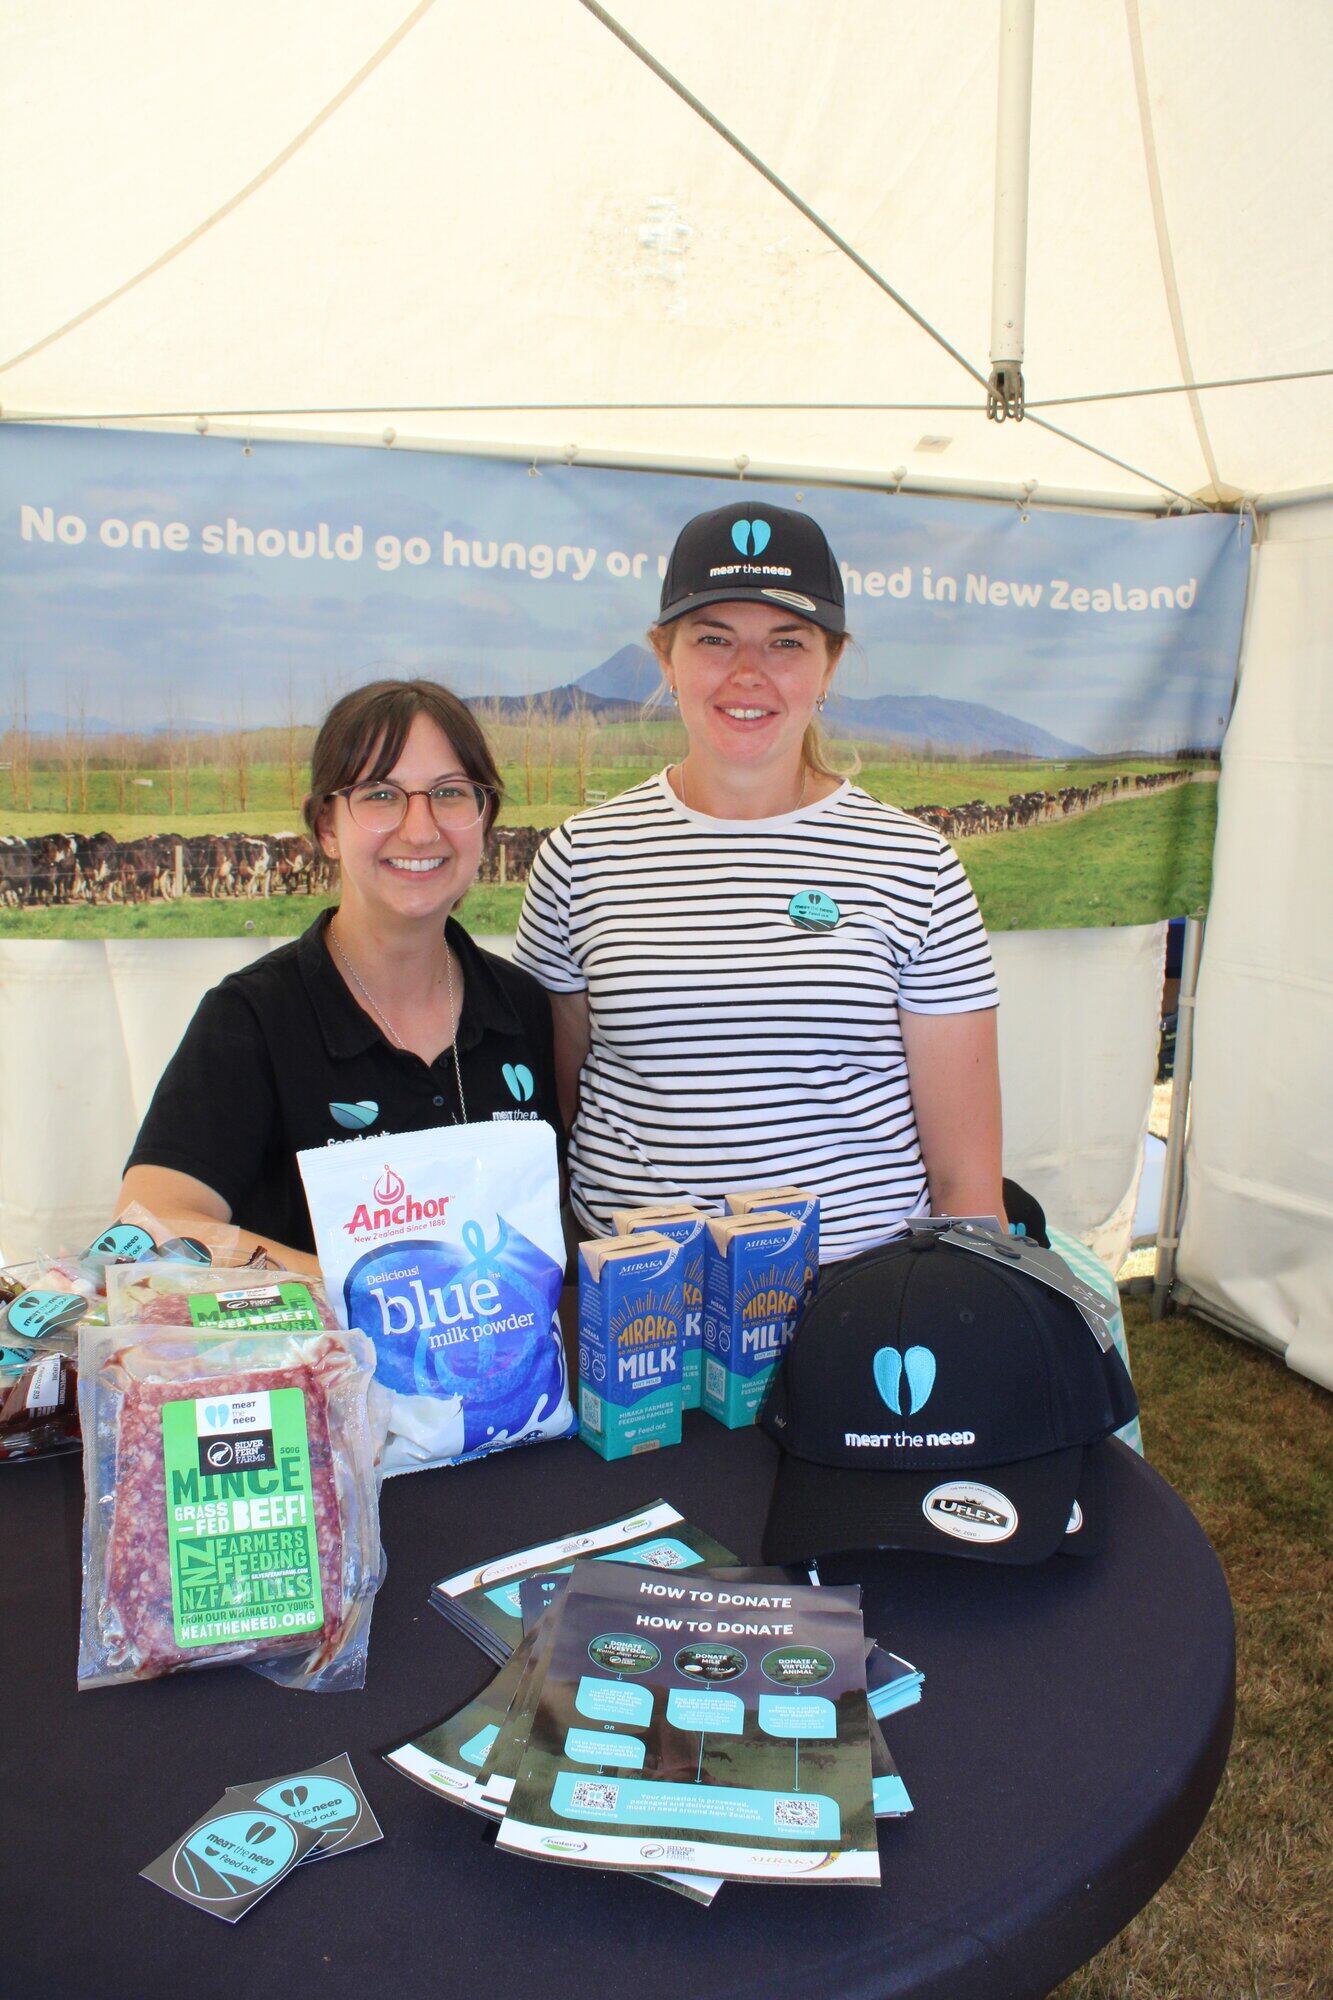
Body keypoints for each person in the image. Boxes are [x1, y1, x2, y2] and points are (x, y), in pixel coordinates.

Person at [511, 501, 1004, 1263]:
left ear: (828, 664)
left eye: (786, 642)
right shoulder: (581, 856)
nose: (748, 673)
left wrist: (977, 1304)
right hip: (637, 1299)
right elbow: (561, 1101)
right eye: (713, 639)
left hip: (853, 1293)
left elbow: (964, 1174)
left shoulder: (915, 864)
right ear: (664, 657)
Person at [120, 679, 560, 1274]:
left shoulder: (522, 1005)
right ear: (327, 827)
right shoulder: (252, 1018)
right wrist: (364, 1291)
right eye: (380, 795)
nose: (421, 829)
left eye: (450, 793)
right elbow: (151, 1228)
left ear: (485, 821)